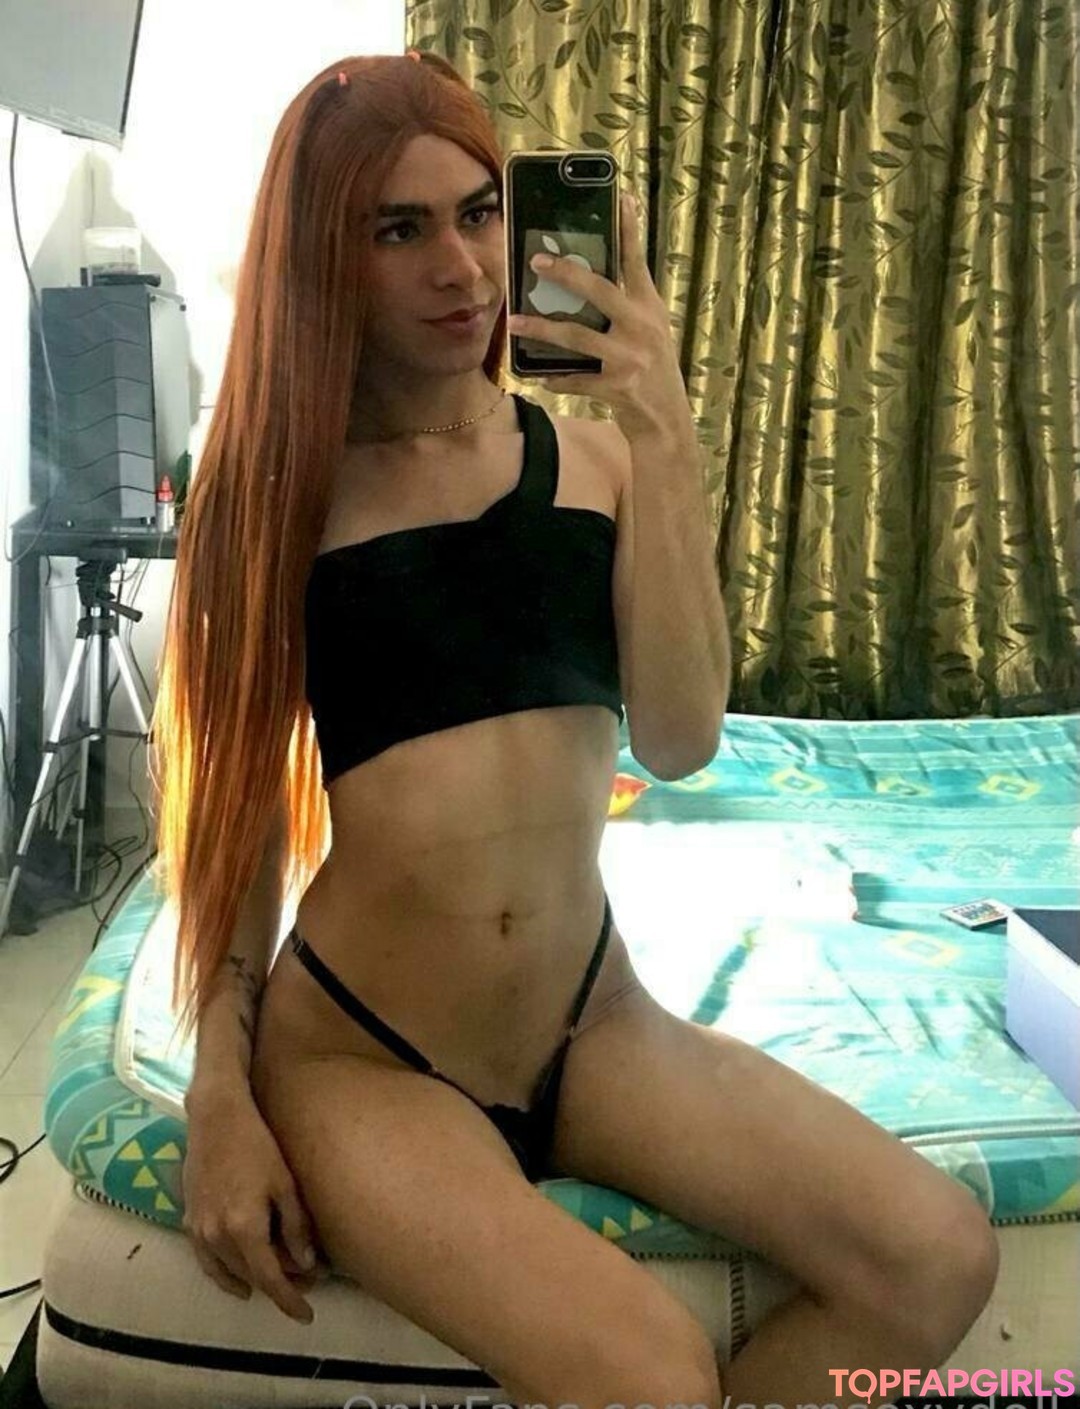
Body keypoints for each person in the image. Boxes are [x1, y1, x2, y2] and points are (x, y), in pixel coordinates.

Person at [154, 52, 998, 1409]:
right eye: (398, 229)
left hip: (594, 1020)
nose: (462, 268)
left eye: (481, 212)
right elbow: (232, 826)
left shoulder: (594, 462)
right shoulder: (271, 500)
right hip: (366, 1050)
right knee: (656, 1376)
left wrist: (664, 436)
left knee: (938, 1255)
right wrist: (220, 1095)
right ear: (323, 257)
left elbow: (682, 738)